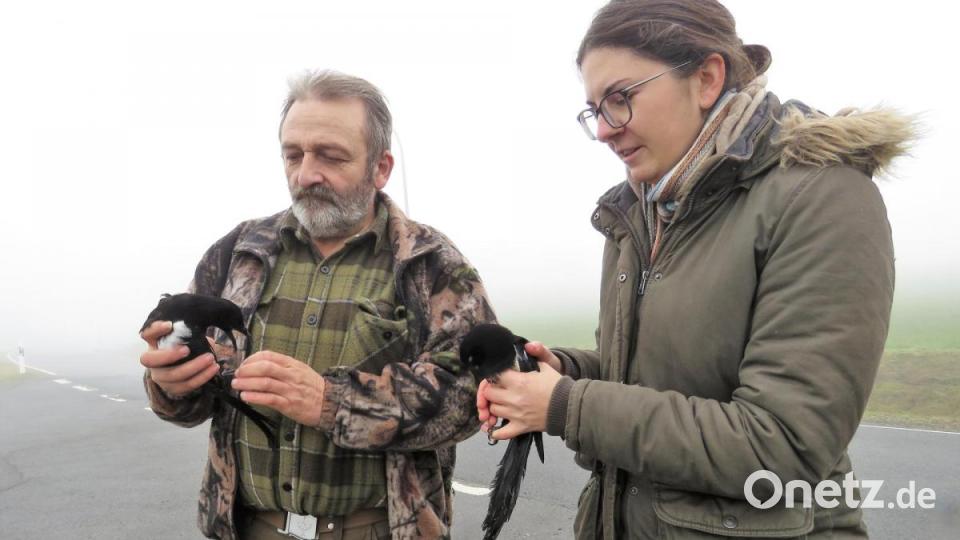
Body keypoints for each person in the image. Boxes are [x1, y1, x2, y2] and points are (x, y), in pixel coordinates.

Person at [477, 1, 915, 538]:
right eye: (594, 110)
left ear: (706, 78)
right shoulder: (638, 211)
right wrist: (560, 374)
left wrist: (566, 405)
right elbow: (655, 383)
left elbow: (781, 444)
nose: (605, 131)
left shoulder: (821, 197)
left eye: (620, 98)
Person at [139, 70, 495, 540]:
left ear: (381, 167)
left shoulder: (432, 264)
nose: (306, 174)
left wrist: (332, 402)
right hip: (247, 528)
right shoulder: (236, 253)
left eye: (330, 156)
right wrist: (169, 384)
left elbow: (472, 395)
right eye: (294, 155)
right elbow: (190, 403)